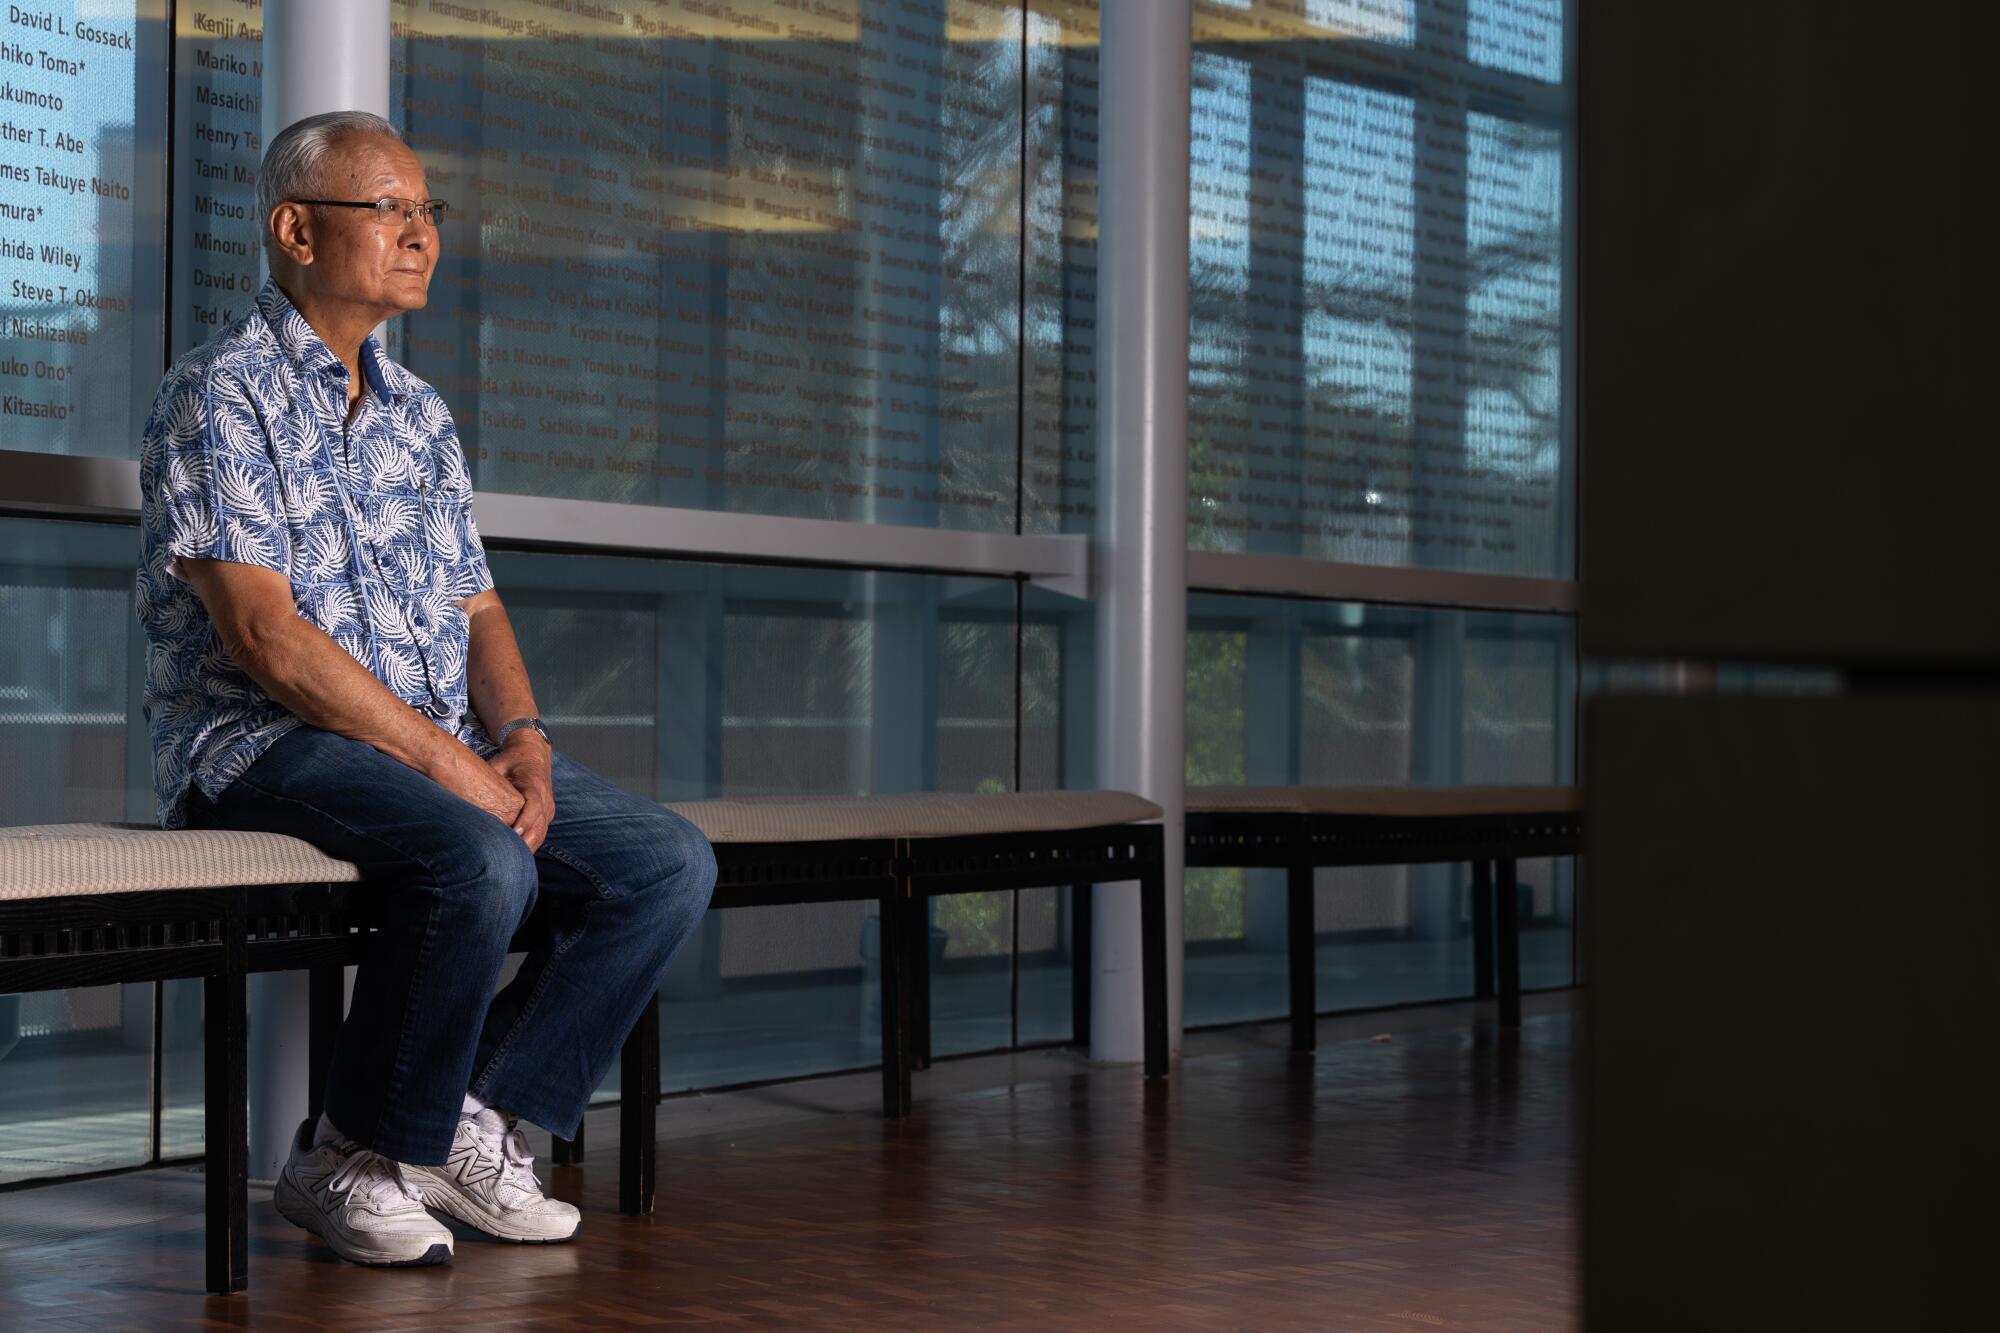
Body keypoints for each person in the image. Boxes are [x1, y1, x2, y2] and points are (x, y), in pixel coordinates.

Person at [135, 110, 716, 1268]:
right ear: (296, 229)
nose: (421, 234)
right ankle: (342, 1156)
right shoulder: (219, 395)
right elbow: (268, 642)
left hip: (422, 742)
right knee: (479, 853)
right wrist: (454, 767)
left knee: (663, 862)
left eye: (426, 212)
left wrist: (524, 739)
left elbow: (475, 609)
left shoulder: (419, 415)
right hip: (257, 746)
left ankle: (464, 1116)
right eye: (389, 208)